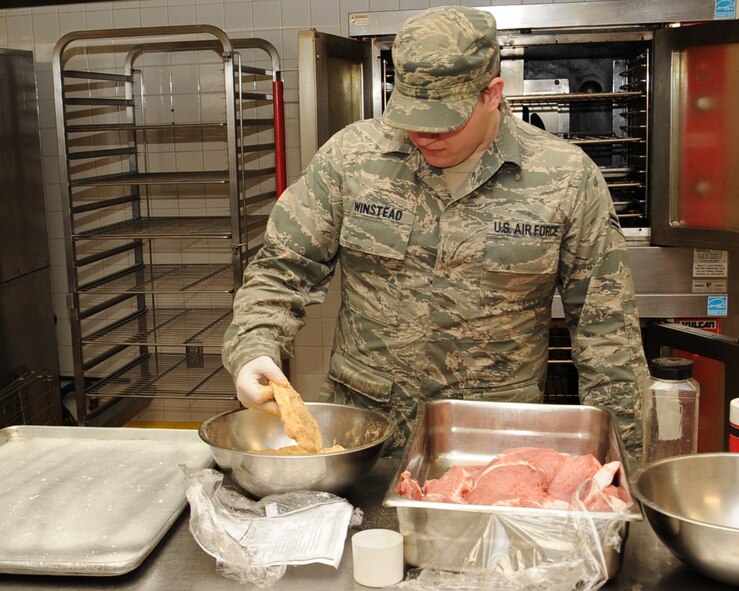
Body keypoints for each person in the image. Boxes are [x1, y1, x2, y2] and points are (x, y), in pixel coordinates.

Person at [222, 5, 650, 459]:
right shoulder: (352, 158)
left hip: (492, 445)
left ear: (492, 94)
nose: (424, 135)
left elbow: (608, 338)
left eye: (444, 119)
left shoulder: (566, 178)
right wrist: (253, 347)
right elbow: (282, 268)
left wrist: (623, 467)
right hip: (367, 438)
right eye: (412, 115)